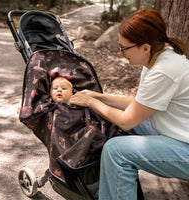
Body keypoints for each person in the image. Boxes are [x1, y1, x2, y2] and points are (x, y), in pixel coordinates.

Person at [69, 8, 189, 200]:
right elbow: (139, 103)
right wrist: (99, 96)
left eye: (124, 47)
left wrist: (91, 102)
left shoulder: (164, 70)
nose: (120, 52)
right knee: (112, 114)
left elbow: (126, 121)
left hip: (185, 149)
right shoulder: (156, 59)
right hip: (177, 135)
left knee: (116, 151)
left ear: (145, 47)